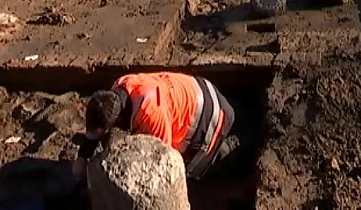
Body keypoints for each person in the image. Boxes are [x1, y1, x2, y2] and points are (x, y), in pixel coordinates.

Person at [72, 72, 237, 181]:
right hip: (195, 90)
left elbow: (163, 159)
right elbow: (95, 128)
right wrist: (83, 156)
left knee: (184, 171)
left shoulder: (151, 112)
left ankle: (229, 147)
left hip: (211, 116)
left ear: (118, 119)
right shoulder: (117, 89)